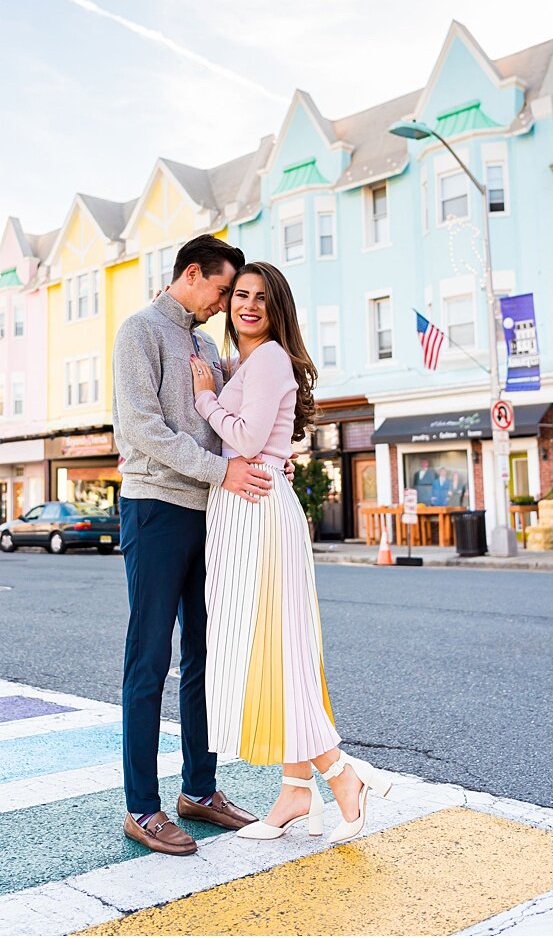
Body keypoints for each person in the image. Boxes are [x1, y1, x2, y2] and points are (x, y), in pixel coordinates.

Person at [189, 261, 392, 842]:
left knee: (275, 653)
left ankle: (341, 776)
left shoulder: (271, 357)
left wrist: (205, 399)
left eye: (261, 297)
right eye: (239, 296)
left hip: (258, 510)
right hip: (247, 507)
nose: (247, 305)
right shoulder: (248, 362)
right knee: (281, 655)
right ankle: (294, 795)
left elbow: (248, 438)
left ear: (278, 309)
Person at [112, 235, 273, 855]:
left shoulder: (207, 345)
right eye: (222, 289)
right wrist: (219, 472)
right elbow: (142, 430)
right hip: (154, 508)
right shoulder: (140, 330)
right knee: (149, 658)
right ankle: (142, 806)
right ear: (189, 274)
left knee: (207, 658)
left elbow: (229, 422)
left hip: (210, 514)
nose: (226, 302)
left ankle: (199, 791)